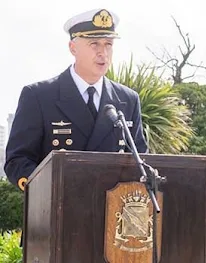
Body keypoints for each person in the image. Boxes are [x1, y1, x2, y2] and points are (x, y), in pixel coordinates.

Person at [4, 8, 148, 192]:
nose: (103, 52)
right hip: (58, 207)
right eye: (94, 43)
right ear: (73, 48)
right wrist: (47, 188)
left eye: (108, 44)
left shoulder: (128, 99)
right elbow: (17, 160)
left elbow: (140, 159)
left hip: (112, 213)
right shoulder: (39, 96)